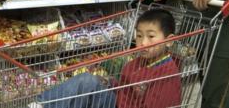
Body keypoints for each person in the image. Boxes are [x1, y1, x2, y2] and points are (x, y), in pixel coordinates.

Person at [29, 9, 181, 108]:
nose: (143, 42)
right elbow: (125, 86)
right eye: (139, 36)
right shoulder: (138, 61)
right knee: (87, 81)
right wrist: (110, 83)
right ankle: (40, 105)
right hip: (116, 102)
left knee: (86, 82)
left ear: (169, 40)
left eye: (151, 36)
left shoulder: (166, 75)